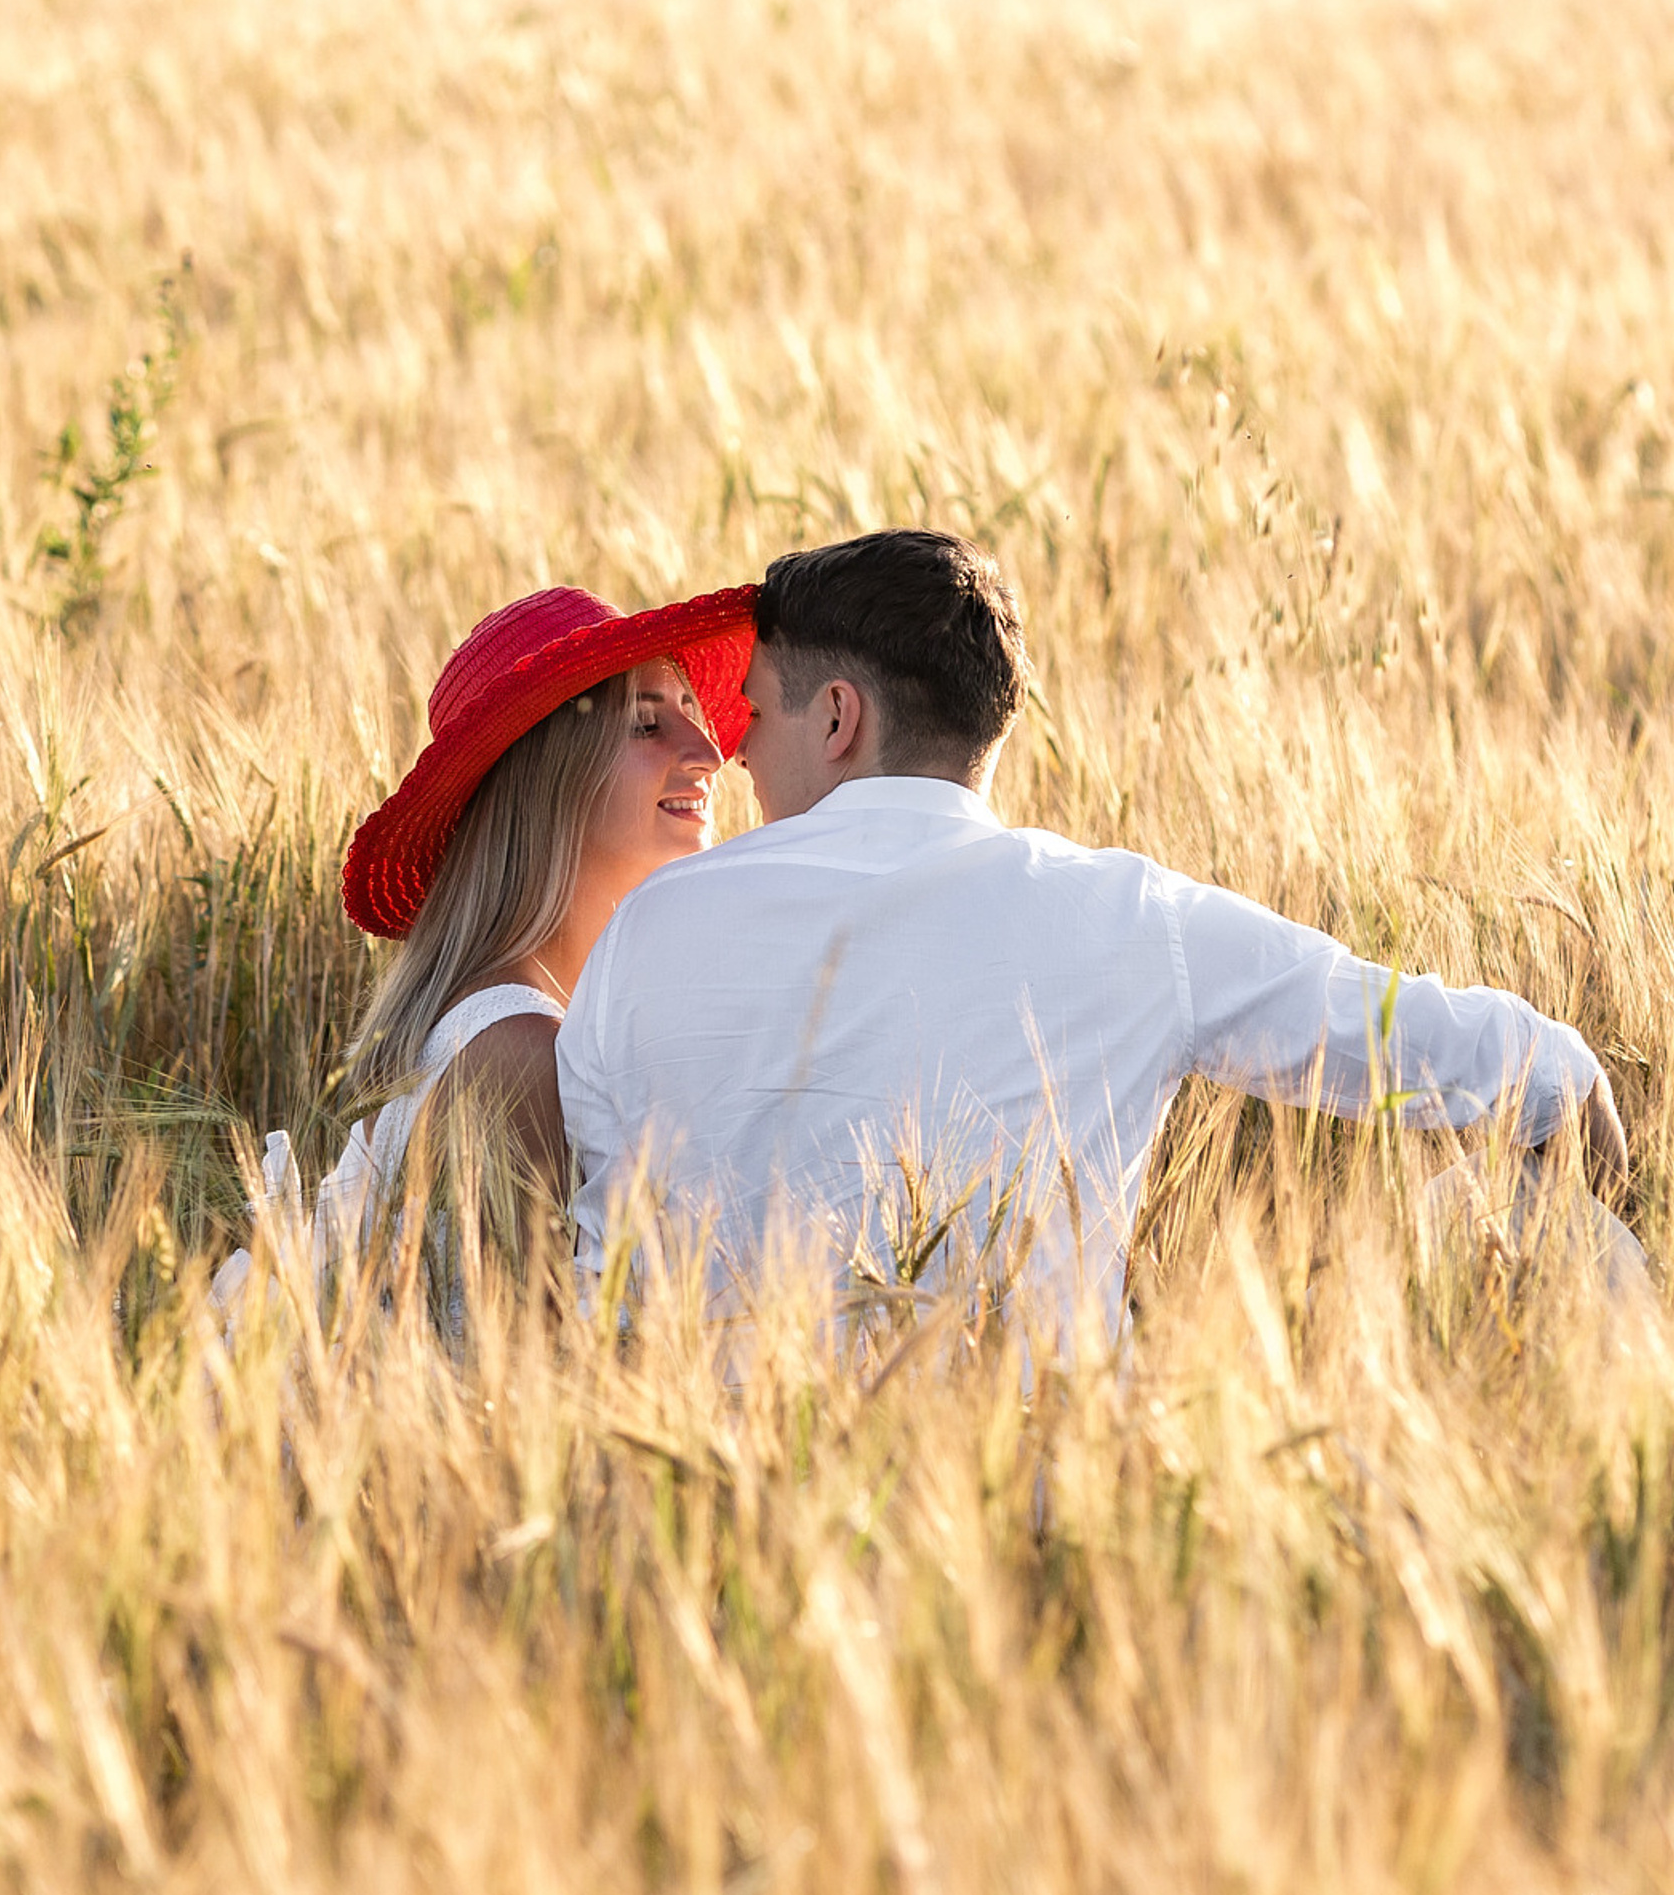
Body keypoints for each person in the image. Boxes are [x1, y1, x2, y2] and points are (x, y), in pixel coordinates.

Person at [552, 528, 1630, 1346]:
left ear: (838, 717)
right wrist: (1557, 1079)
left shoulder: (651, 927)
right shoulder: (1131, 918)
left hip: (714, 1533)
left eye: (752, 713)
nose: (733, 754)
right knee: (1541, 1221)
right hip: (1036, 1527)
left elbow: (595, 1264)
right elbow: (1411, 1038)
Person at [219, 581, 755, 1310]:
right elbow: (525, 1384)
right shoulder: (518, 1049)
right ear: (550, 774)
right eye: (645, 725)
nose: (710, 752)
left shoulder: (524, 1022)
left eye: (693, 713)